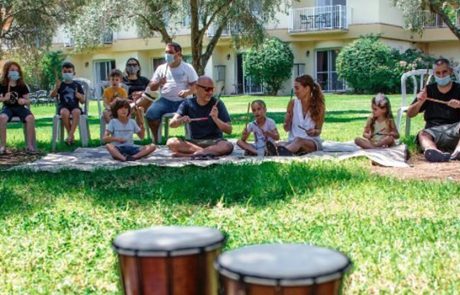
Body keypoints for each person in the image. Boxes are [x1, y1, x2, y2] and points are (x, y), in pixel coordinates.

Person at [407, 58, 460, 162]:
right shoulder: (428, 90)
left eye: (444, 72)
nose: (441, 76)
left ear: (450, 71)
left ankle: (458, 152)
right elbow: (410, 114)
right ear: (434, 74)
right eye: (438, 73)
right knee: (422, 134)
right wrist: (420, 101)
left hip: (456, 131)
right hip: (433, 131)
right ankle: (433, 151)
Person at [166, 76, 233, 158]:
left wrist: (216, 118)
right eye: (207, 89)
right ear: (197, 88)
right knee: (171, 142)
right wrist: (181, 120)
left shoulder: (218, 103)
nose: (210, 93)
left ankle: (191, 155)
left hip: (215, 142)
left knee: (227, 146)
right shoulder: (187, 103)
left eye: (212, 89)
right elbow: (171, 124)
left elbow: (229, 130)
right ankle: (205, 153)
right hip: (194, 142)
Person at [146, 42, 198, 143]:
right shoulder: (161, 68)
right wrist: (159, 82)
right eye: (166, 52)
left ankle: (192, 138)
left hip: (184, 101)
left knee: (196, 112)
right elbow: (151, 87)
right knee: (151, 114)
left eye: (170, 52)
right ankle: (156, 140)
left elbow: (196, 86)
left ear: (178, 54)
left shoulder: (187, 67)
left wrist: (188, 92)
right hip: (165, 101)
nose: (167, 55)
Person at [273, 75, 325, 156]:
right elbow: (286, 129)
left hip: (311, 142)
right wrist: (287, 121)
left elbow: (318, 131)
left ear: (307, 89)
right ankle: (281, 150)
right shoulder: (292, 103)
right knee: (277, 143)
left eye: (297, 88)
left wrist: (314, 131)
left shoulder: (319, 106)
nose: (295, 91)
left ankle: (278, 154)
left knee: (298, 141)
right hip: (293, 141)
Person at [0, 61, 37, 154]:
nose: (15, 72)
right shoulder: (2, 84)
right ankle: (3, 145)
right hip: (7, 108)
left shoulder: (22, 85)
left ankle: (29, 145)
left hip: (20, 108)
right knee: (2, 117)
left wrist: (24, 101)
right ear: (7, 71)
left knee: (30, 117)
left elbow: (28, 100)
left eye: (17, 70)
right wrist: (4, 98)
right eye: (12, 70)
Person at [50, 61, 85, 145]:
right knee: (64, 112)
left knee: (76, 112)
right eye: (65, 72)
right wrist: (56, 88)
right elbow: (52, 95)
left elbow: (83, 101)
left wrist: (80, 96)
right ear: (62, 73)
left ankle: (69, 135)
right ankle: (71, 135)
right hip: (63, 106)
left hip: (74, 106)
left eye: (69, 71)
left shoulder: (77, 85)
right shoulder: (60, 84)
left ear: (74, 73)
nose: (67, 73)